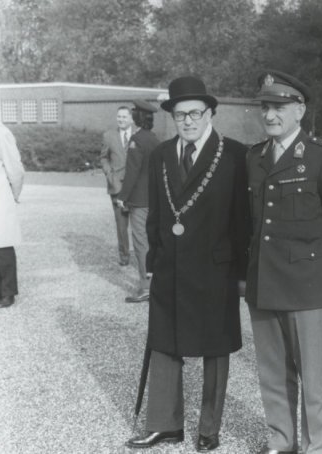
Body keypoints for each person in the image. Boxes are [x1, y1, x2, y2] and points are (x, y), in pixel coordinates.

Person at [125, 76, 249, 452]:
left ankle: (209, 428)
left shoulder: (235, 155)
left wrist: (242, 273)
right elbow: (156, 214)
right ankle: (165, 425)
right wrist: (152, 262)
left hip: (216, 270)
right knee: (164, 343)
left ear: (210, 113)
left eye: (195, 113)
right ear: (172, 117)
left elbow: (243, 220)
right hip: (170, 266)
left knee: (215, 347)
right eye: (181, 115)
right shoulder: (161, 155)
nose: (188, 121)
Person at [245, 70, 322, 454]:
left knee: (312, 375)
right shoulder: (255, 157)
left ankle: (315, 446)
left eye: (279, 107)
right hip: (264, 282)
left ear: (300, 110)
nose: (270, 115)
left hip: (307, 284)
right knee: (273, 371)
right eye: (265, 107)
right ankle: (281, 440)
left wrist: (314, 265)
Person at [116, 100, 160, 303]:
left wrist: (122, 196)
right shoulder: (154, 139)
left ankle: (146, 287)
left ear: (137, 118)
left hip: (140, 201)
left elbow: (132, 172)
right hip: (154, 198)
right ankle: (156, 283)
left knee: (141, 243)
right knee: (153, 241)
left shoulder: (137, 139)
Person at [0, 99, 25, 309]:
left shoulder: (2, 133)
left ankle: (9, 291)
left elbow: (15, 168)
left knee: (1, 245)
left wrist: (14, 193)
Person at [100, 105, 133, 266]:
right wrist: (109, 174)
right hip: (117, 185)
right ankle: (124, 256)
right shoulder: (109, 136)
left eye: (124, 117)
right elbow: (103, 157)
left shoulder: (138, 135)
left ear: (131, 118)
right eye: (119, 116)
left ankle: (144, 256)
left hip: (136, 186)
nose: (121, 119)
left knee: (141, 224)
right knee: (121, 224)